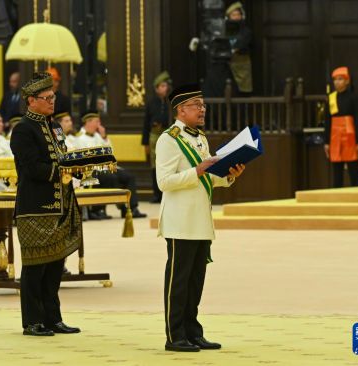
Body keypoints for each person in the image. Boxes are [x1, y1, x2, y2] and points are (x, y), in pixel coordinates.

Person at [156, 84, 245, 352]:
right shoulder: (169, 139)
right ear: (181, 110)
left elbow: (208, 177)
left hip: (200, 220)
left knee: (195, 281)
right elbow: (164, 182)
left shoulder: (200, 138)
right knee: (179, 281)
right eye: (196, 105)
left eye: (202, 104)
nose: (202, 109)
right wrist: (197, 170)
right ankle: (175, 335)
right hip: (180, 222)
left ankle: (193, 331)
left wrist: (229, 175)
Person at [10, 71, 81, 336]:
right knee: (34, 267)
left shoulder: (55, 127)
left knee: (54, 266)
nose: (52, 101)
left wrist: (76, 167)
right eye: (46, 97)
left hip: (61, 205)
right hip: (35, 208)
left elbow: (62, 158)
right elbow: (30, 168)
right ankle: (32, 321)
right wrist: (62, 170)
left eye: (53, 97)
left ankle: (53, 318)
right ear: (31, 100)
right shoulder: (23, 129)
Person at [75, 111, 147, 219]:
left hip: (106, 167)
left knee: (128, 176)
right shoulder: (79, 138)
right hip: (90, 170)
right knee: (109, 177)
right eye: (97, 122)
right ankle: (98, 209)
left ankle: (130, 208)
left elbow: (110, 153)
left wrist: (104, 137)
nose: (99, 125)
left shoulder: (98, 136)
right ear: (88, 122)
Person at [324, 67, 358, 188]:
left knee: (353, 165)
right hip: (335, 135)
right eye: (335, 80)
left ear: (347, 81)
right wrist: (326, 142)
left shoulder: (354, 98)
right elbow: (327, 121)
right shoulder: (331, 98)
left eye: (340, 79)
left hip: (349, 134)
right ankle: (336, 191)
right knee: (336, 166)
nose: (337, 82)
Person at [142, 71, 172, 203]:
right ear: (156, 88)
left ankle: (167, 194)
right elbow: (145, 123)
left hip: (167, 135)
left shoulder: (170, 102)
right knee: (155, 166)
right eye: (162, 86)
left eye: (166, 86)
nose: (165, 88)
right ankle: (156, 194)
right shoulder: (151, 103)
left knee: (167, 164)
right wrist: (145, 143)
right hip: (154, 136)